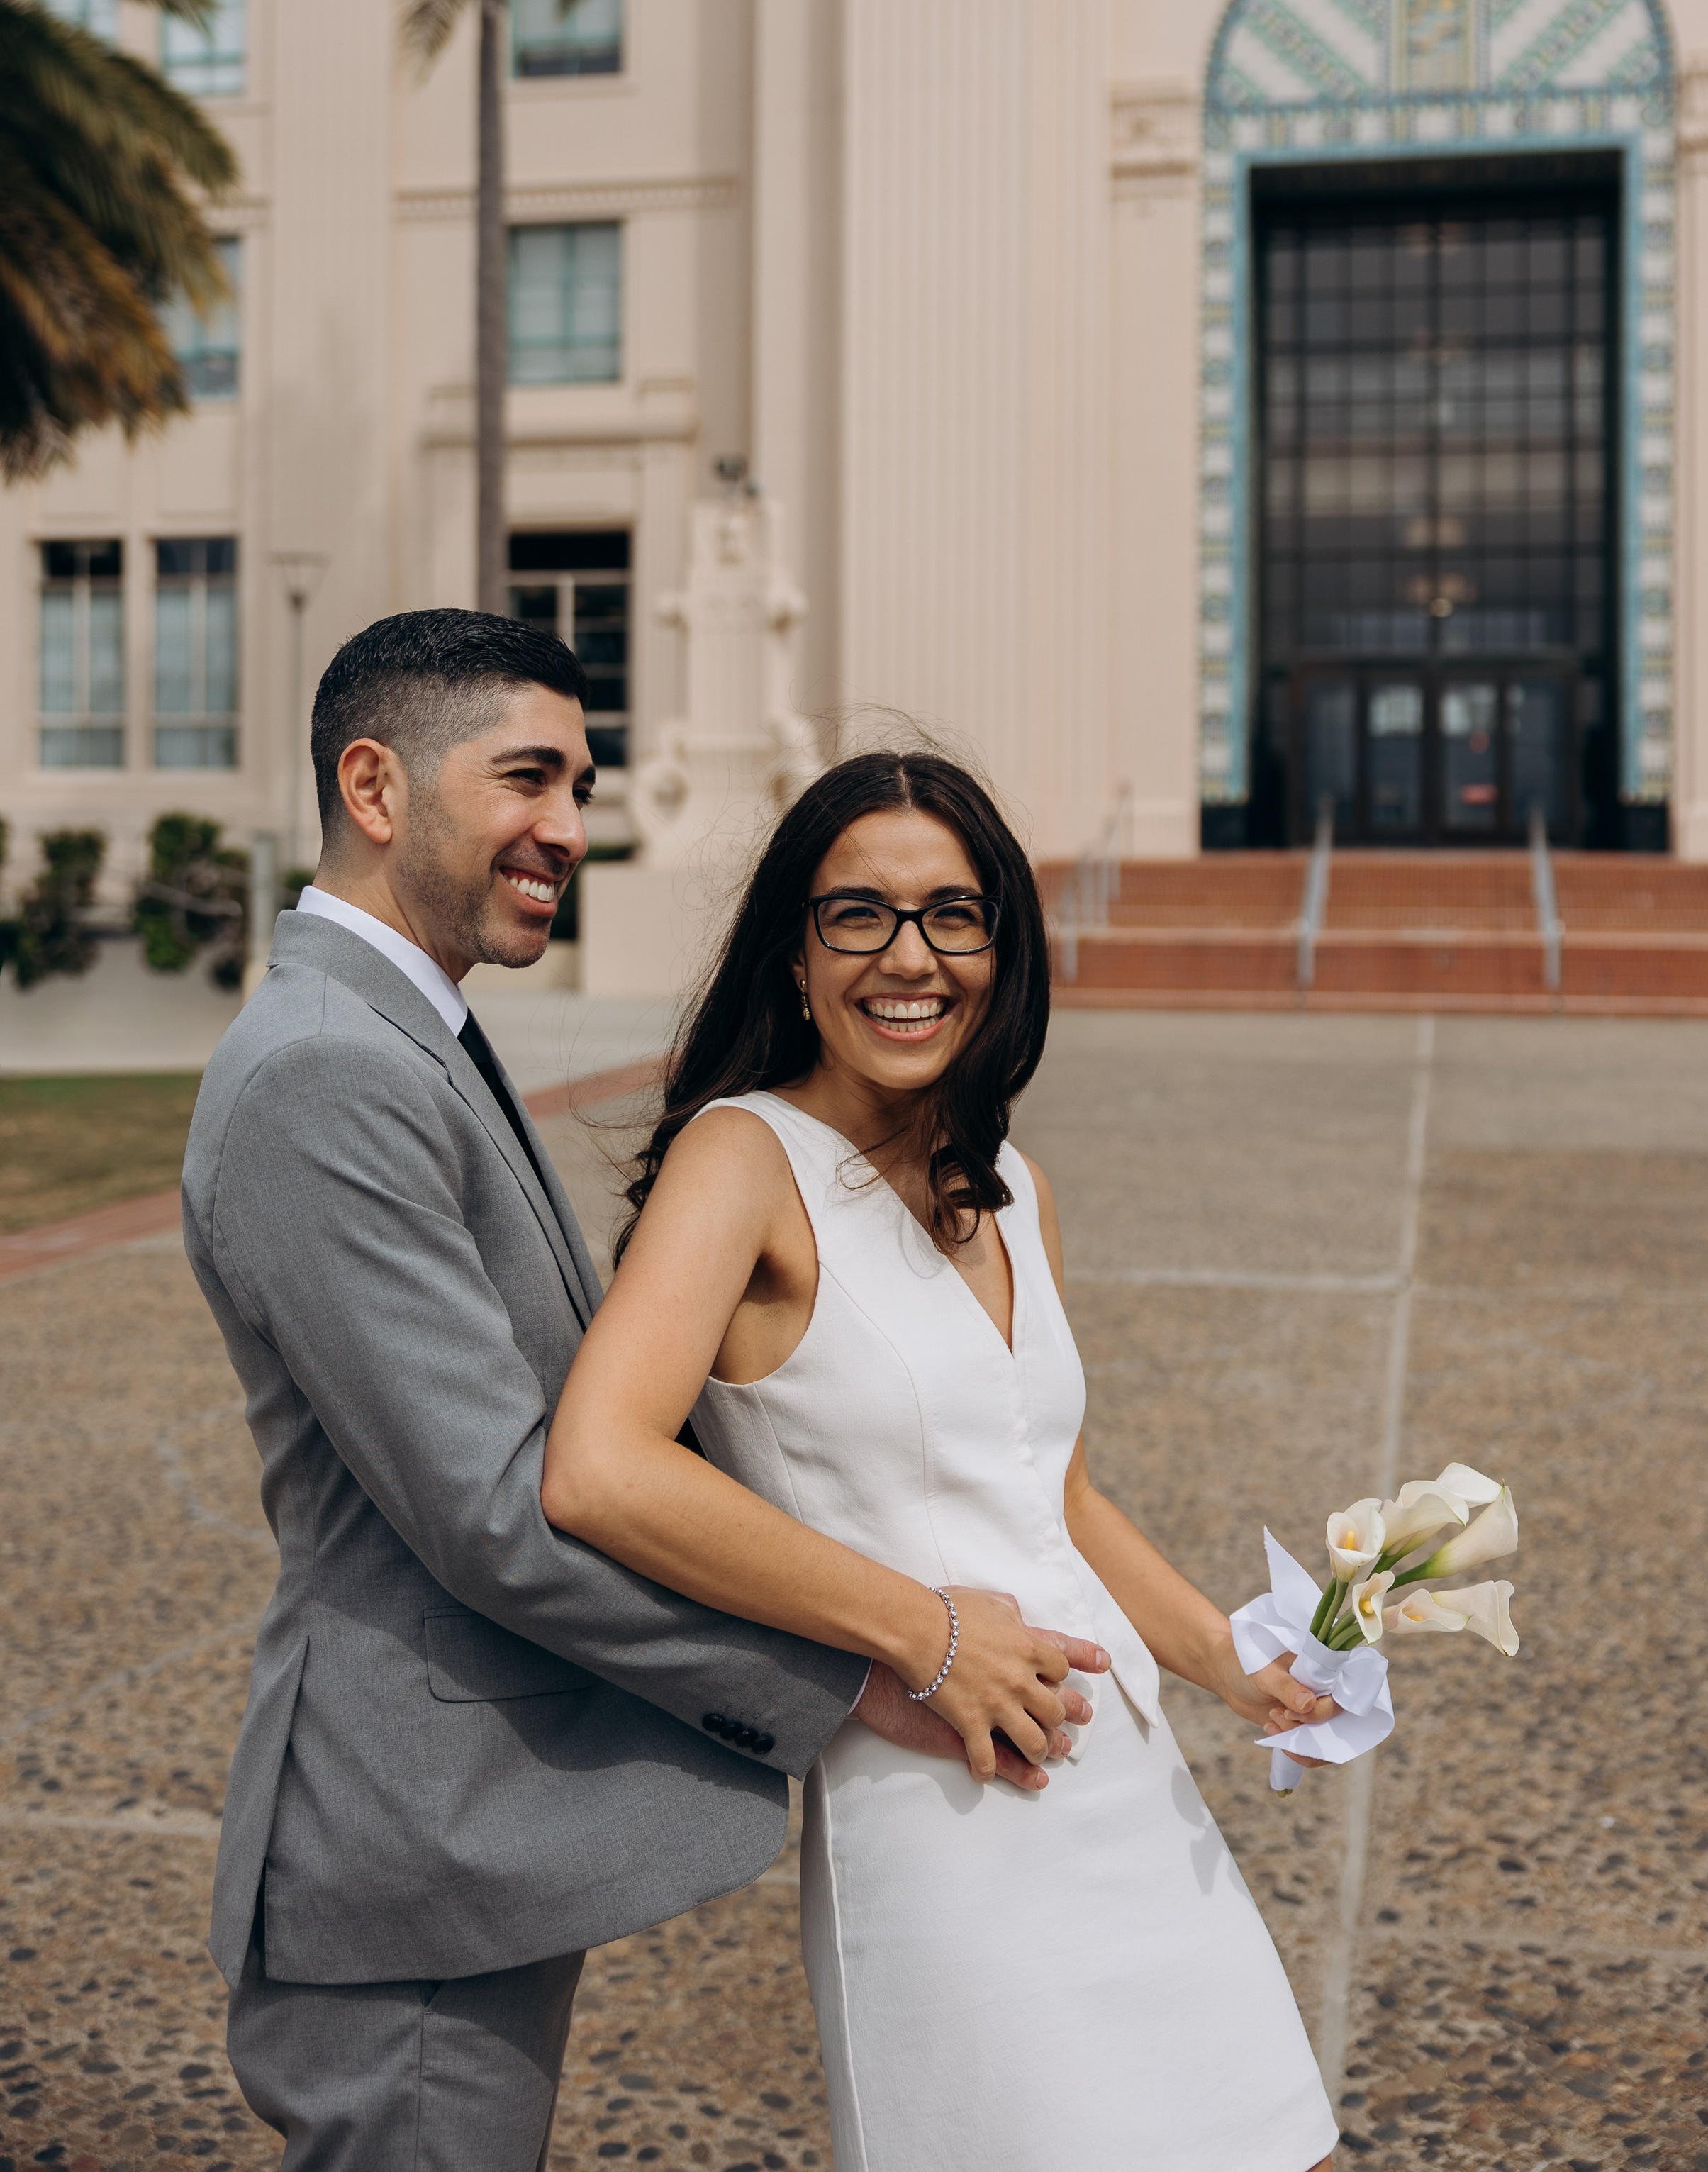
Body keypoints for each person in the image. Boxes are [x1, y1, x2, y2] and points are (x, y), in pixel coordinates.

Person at [182, 616, 1103, 2172]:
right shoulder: (325, 1072)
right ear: (374, 784)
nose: (569, 826)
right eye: (526, 777)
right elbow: (494, 1508)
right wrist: (876, 1656)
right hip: (410, 1839)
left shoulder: (415, 1032)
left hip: (462, 1822)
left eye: (582, 782)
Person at [543, 750, 1344, 2172]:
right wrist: (928, 1633)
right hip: (946, 1793)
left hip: (1130, 1793)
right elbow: (599, 1470)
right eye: (856, 915)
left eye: (949, 916)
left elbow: (1058, 1495)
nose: (907, 958)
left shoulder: (1012, 1179)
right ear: (794, 954)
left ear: (998, 950)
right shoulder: (738, 1160)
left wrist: (1233, 1661)